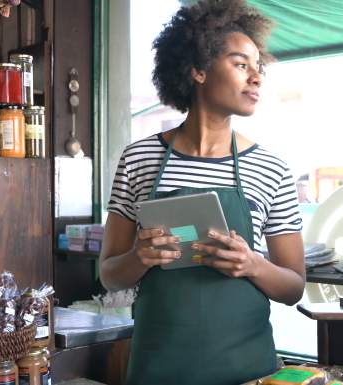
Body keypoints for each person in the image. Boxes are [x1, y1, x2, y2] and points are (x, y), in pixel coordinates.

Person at [99, 1, 305, 384]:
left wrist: (253, 264)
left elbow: (294, 286)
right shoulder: (139, 158)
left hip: (247, 371)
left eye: (258, 66)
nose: (256, 77)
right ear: (197, 70)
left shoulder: (271, 168)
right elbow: (110, 274)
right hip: (158, 368)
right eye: (241, 64)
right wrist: (140, 257)